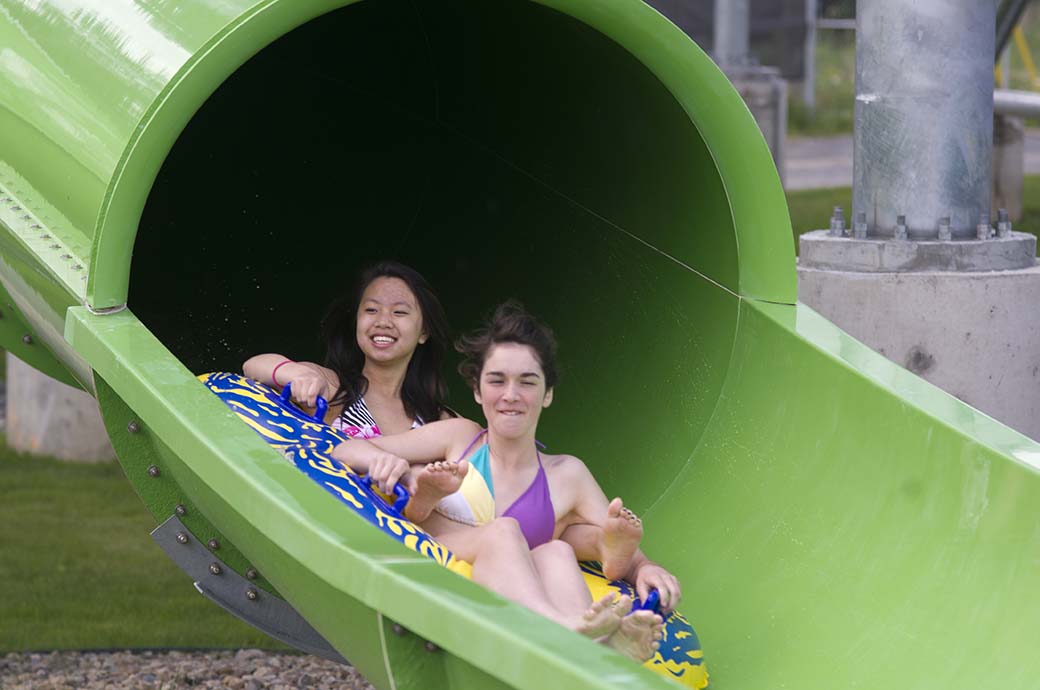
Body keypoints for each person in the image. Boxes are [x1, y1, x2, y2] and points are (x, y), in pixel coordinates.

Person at [330, 301, 681, 661]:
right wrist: (380, 458)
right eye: (497, 380)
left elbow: (623, 552)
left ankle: (595, 652)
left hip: (520, 582)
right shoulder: (459, 437)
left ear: (547, 395)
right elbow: (346, 451)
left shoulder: (567, 474)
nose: (511, 395)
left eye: (527, 382)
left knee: (557, 550)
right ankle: (569, 630)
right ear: (478, 392)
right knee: (504, 530)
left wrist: (647, 566)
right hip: (446, 552)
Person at [243, 260, 455, 443]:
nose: (383, 321)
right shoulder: (333, 388)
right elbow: (253, 365)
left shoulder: (441, 421)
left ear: (424, 332)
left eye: (399, 312)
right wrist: (297, 375)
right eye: (371, 310)